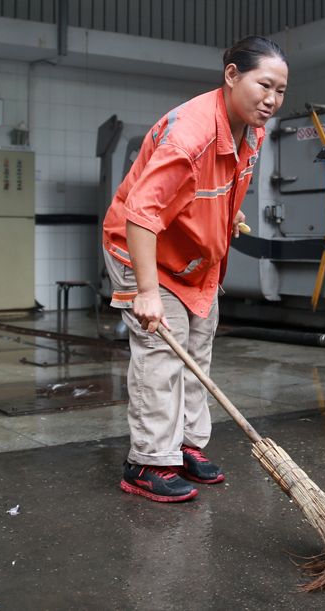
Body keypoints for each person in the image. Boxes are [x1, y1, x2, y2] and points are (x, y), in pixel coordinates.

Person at [102, 36, 288, 503]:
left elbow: (213, 188)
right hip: (143, 252)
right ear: (231, 76)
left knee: (196, 348)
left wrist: (228, 217)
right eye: (264, 85)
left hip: (194, 259)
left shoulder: (251, 129)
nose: (271, 99)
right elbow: (141, 214)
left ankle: (183, 446)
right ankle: (147, 461)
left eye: (280, 91)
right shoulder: (192, 133)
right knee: (161, 354)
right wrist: (145, 292)